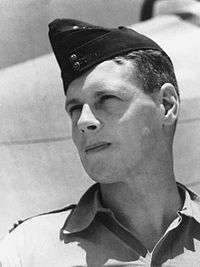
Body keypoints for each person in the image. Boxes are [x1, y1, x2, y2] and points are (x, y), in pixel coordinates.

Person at [1, 18, 200, 267]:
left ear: (167, 105)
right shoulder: (27, 251)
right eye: (74, 108)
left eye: (106, 98)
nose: (83, 121)